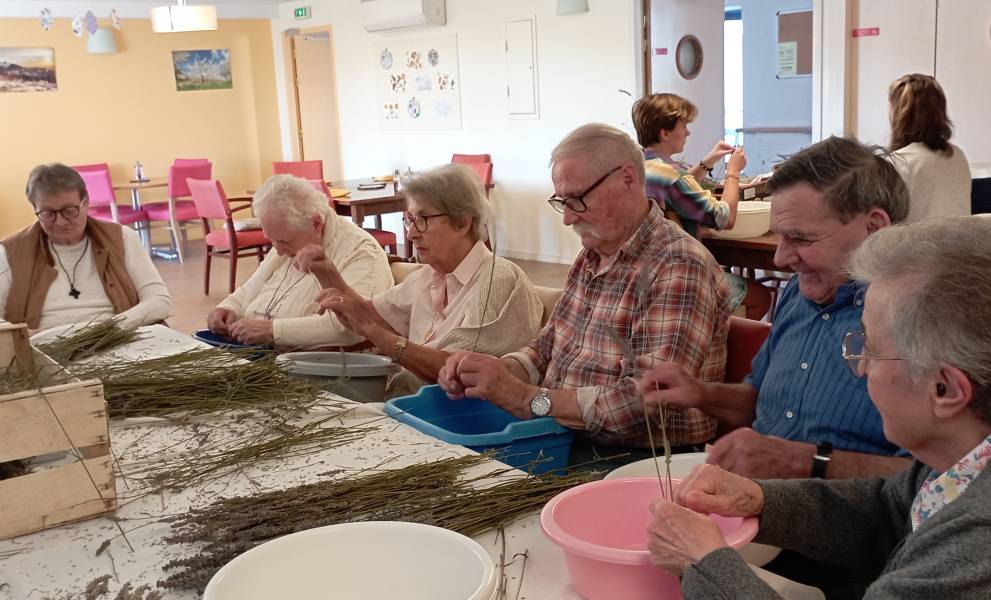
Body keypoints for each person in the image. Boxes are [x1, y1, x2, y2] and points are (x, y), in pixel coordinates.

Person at [646, 217, 991, 600]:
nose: (859, 367)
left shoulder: (976, 550)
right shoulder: (957, 464)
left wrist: (703, 560)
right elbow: (886, 511)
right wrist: (758, 499)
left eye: (871, 349)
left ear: (945, 389)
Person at [438, 123, 731, 451]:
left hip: (638, 460)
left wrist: (526, 398)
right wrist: (496, 372)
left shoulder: (677, 265)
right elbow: (546, 350)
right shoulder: (592, 256)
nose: (567, 218)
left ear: (628, 180)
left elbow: (646, 402)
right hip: (566, 439)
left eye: (576, 199)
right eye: (562, 201)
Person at [639, 136, 912, 480]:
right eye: (780, 236)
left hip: (846, 524)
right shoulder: (800, 292)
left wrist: (806, 461)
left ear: (874, 228)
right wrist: (699, 393)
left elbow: (937, 482)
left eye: (801, 238)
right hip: (758, 499)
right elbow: (763, 399)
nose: (781, 258)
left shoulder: (922, 322)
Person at [296, 164, 543, 398]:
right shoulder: (427, 276)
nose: (411, 233)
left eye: (423, 219)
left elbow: (459, 373)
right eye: (410, 219)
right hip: (408, 407)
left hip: (451, 422)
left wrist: (374, 333)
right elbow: (366, 315)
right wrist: (325, 271)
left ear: (463, 222)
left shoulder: (497, 280)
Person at [206, 174, 392, 349]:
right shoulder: (287, 239)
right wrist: (229, 307)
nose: (277, 250)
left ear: (316, 224)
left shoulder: (360, 251)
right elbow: (250, 288)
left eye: (284, 241)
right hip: (256, 353)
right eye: (271, 241)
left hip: (308, 367)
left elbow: (354, 328)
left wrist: (272, 330)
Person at [632, 92, 771, 320]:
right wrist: (733, 173)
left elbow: (678, 191)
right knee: (760, 297)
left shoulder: (641, 168)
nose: (688, 131)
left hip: (647, 271)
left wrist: (708, 162)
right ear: (665, 133)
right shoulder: (673, 176)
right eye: (683, 125)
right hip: (679, 276)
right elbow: (724, 218)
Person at [0, 163, 171, 332]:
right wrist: (22, 338)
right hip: (42, 350)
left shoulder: (122, 238)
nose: (60, 222)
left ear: (86, 202)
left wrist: (109, 329)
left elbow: (159, 300)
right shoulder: (10, 252)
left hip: (116, 339)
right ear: (35, 209)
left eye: (69, 210)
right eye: (47, 214)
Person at [887, 74, 971, 223]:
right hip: (961, 246)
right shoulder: (958, 156)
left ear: (898, 114)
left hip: (916, 246)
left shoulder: (898, 163)